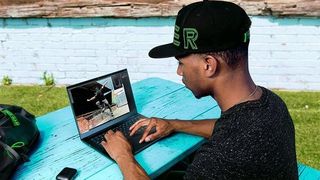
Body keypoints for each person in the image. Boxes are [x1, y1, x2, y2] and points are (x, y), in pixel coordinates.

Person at [100, 0, 298, 179]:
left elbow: (232, 139)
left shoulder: (221, 158)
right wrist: (174, 124)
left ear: (208, 65)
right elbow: (228, 127)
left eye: (181, 62)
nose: (179, 71)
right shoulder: (271, 103)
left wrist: (123, 155)